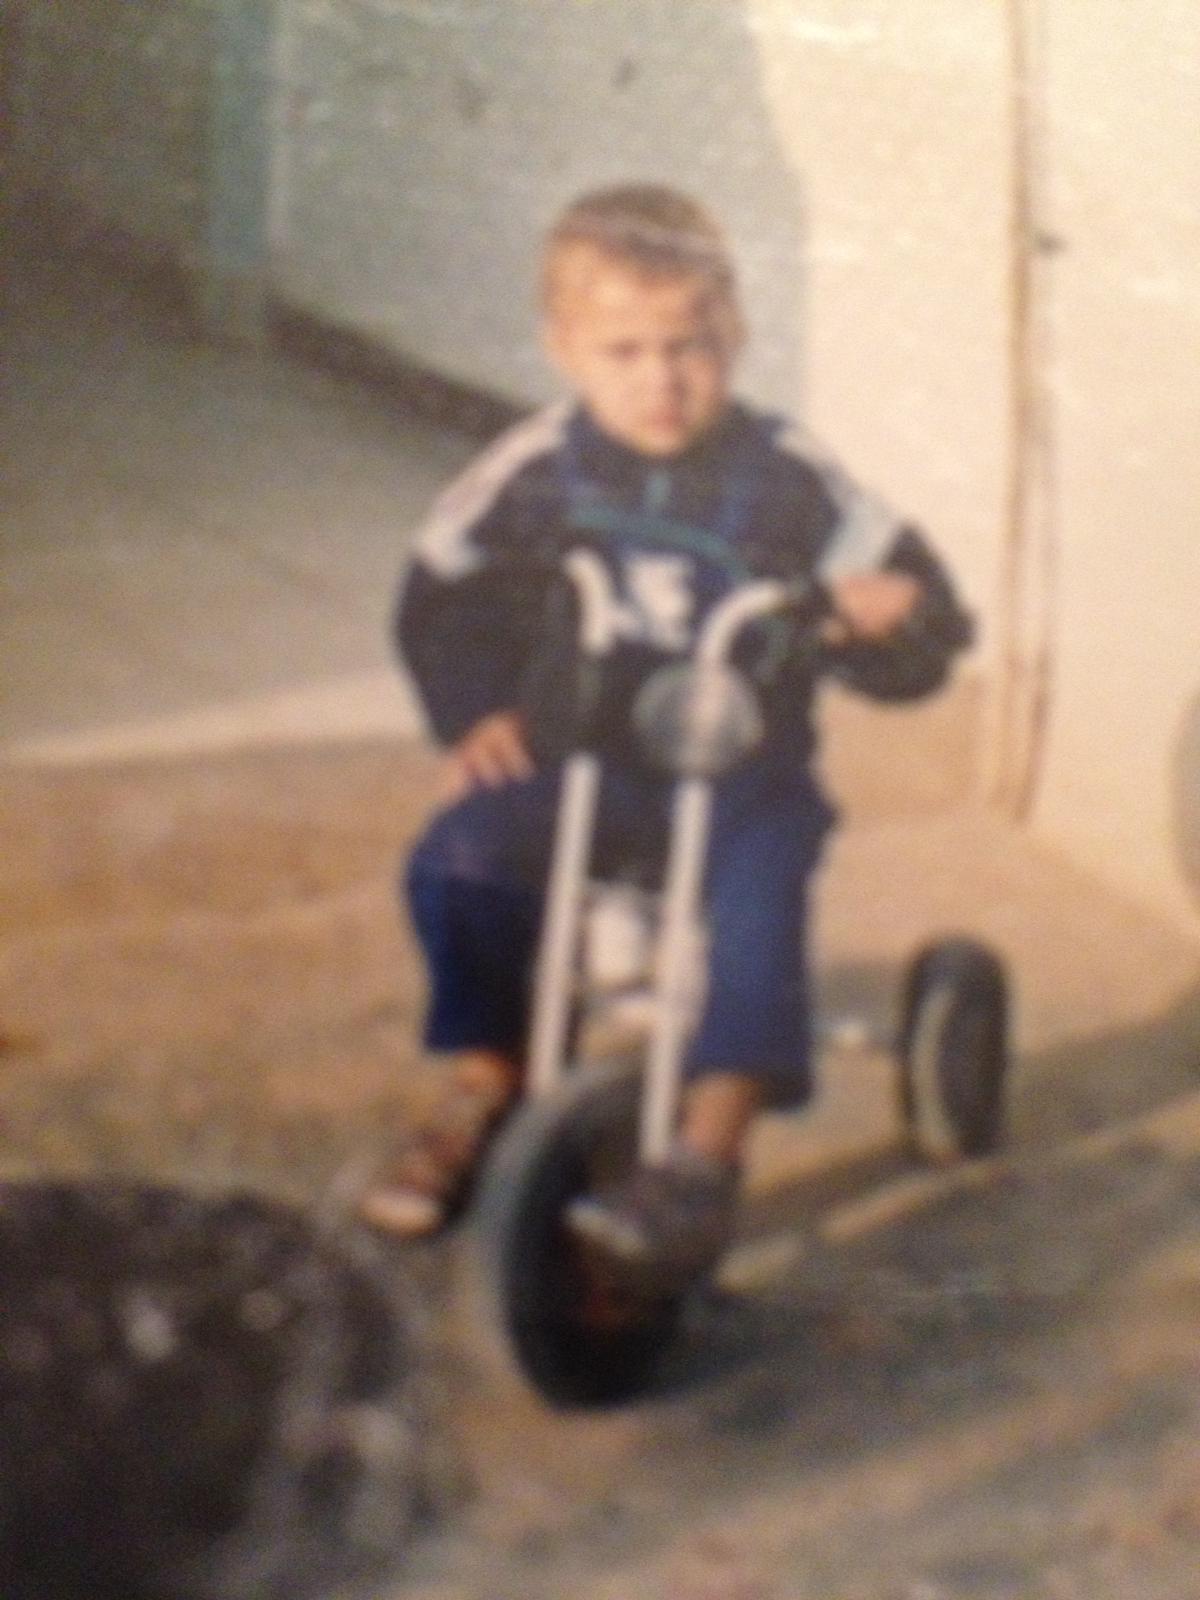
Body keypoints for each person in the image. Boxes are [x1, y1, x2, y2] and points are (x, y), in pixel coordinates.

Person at [361, 184, 971, 1278]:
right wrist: (476, 710)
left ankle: (705, 1151)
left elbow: (924, 603)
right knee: (461, 858)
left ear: (732, 334)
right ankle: (491, 1074)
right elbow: (436, 586)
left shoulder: (788, 474)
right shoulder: (537, 465)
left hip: (741, 775)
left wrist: (888, 619)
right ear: (562, 350)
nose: (661, 379)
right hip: (579, 761)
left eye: (688, 347)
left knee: (756, 903)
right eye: (624, 350)